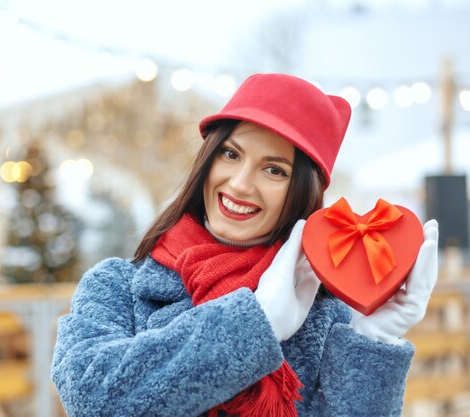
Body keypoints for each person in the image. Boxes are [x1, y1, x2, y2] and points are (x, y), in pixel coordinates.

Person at [51, 73, 439, 417]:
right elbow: (92, 399)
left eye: (274, 170)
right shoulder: (116, 286)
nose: (239, 183)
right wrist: (256, 324)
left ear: (301, 192)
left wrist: (372, 341)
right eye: (230, 154)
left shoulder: (325, 315)